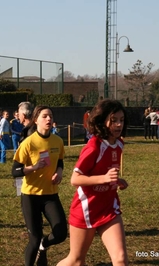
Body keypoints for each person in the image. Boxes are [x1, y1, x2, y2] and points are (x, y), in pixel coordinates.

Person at [57, 99, 129, 266]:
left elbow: (105, 172)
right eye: (114, 120)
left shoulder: (119, 144)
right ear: (103, 121)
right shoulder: (94, 146)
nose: (119, 125)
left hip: (109, 208)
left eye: (122, 120)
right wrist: (104, 178)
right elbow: (75, 179)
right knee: (76, 261)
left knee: (120, 260)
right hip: (86, 209)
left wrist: (116, 181)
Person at [12, 106, 67, 266]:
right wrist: (32, 168)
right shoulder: (28, 143)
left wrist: (60, 172)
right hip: (30, 196)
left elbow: (60, 161)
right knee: (34, 240)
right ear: (36, 120)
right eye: (44, 116)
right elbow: (15, 171)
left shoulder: (58, 141)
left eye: (50, 116)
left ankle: (44, 246)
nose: (48, 119)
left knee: (61, 233)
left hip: (50, 194)